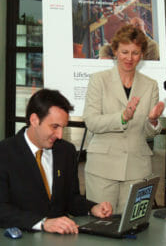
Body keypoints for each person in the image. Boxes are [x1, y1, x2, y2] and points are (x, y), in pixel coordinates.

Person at [0, 89, 112, 234]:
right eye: (54, 127)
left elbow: (71, 199)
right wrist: (43, 223)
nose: (59, 135)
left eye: (63, 128)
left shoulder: (66, 151)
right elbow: (2, 209)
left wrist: (92, 208)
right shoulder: (5, 153)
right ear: (34, 120)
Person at [83, 24, 164, 214]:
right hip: (102, 168)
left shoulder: (150, 85)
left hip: (137, 168)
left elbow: (149, 131)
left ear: (142, 53)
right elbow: (92, 121)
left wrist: (152, 121)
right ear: (115, 51)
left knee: (132, 227)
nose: (129, 58)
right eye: (124, 52)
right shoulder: (98, 80)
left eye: (135, 53)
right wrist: (122, 117)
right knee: (101, 226)